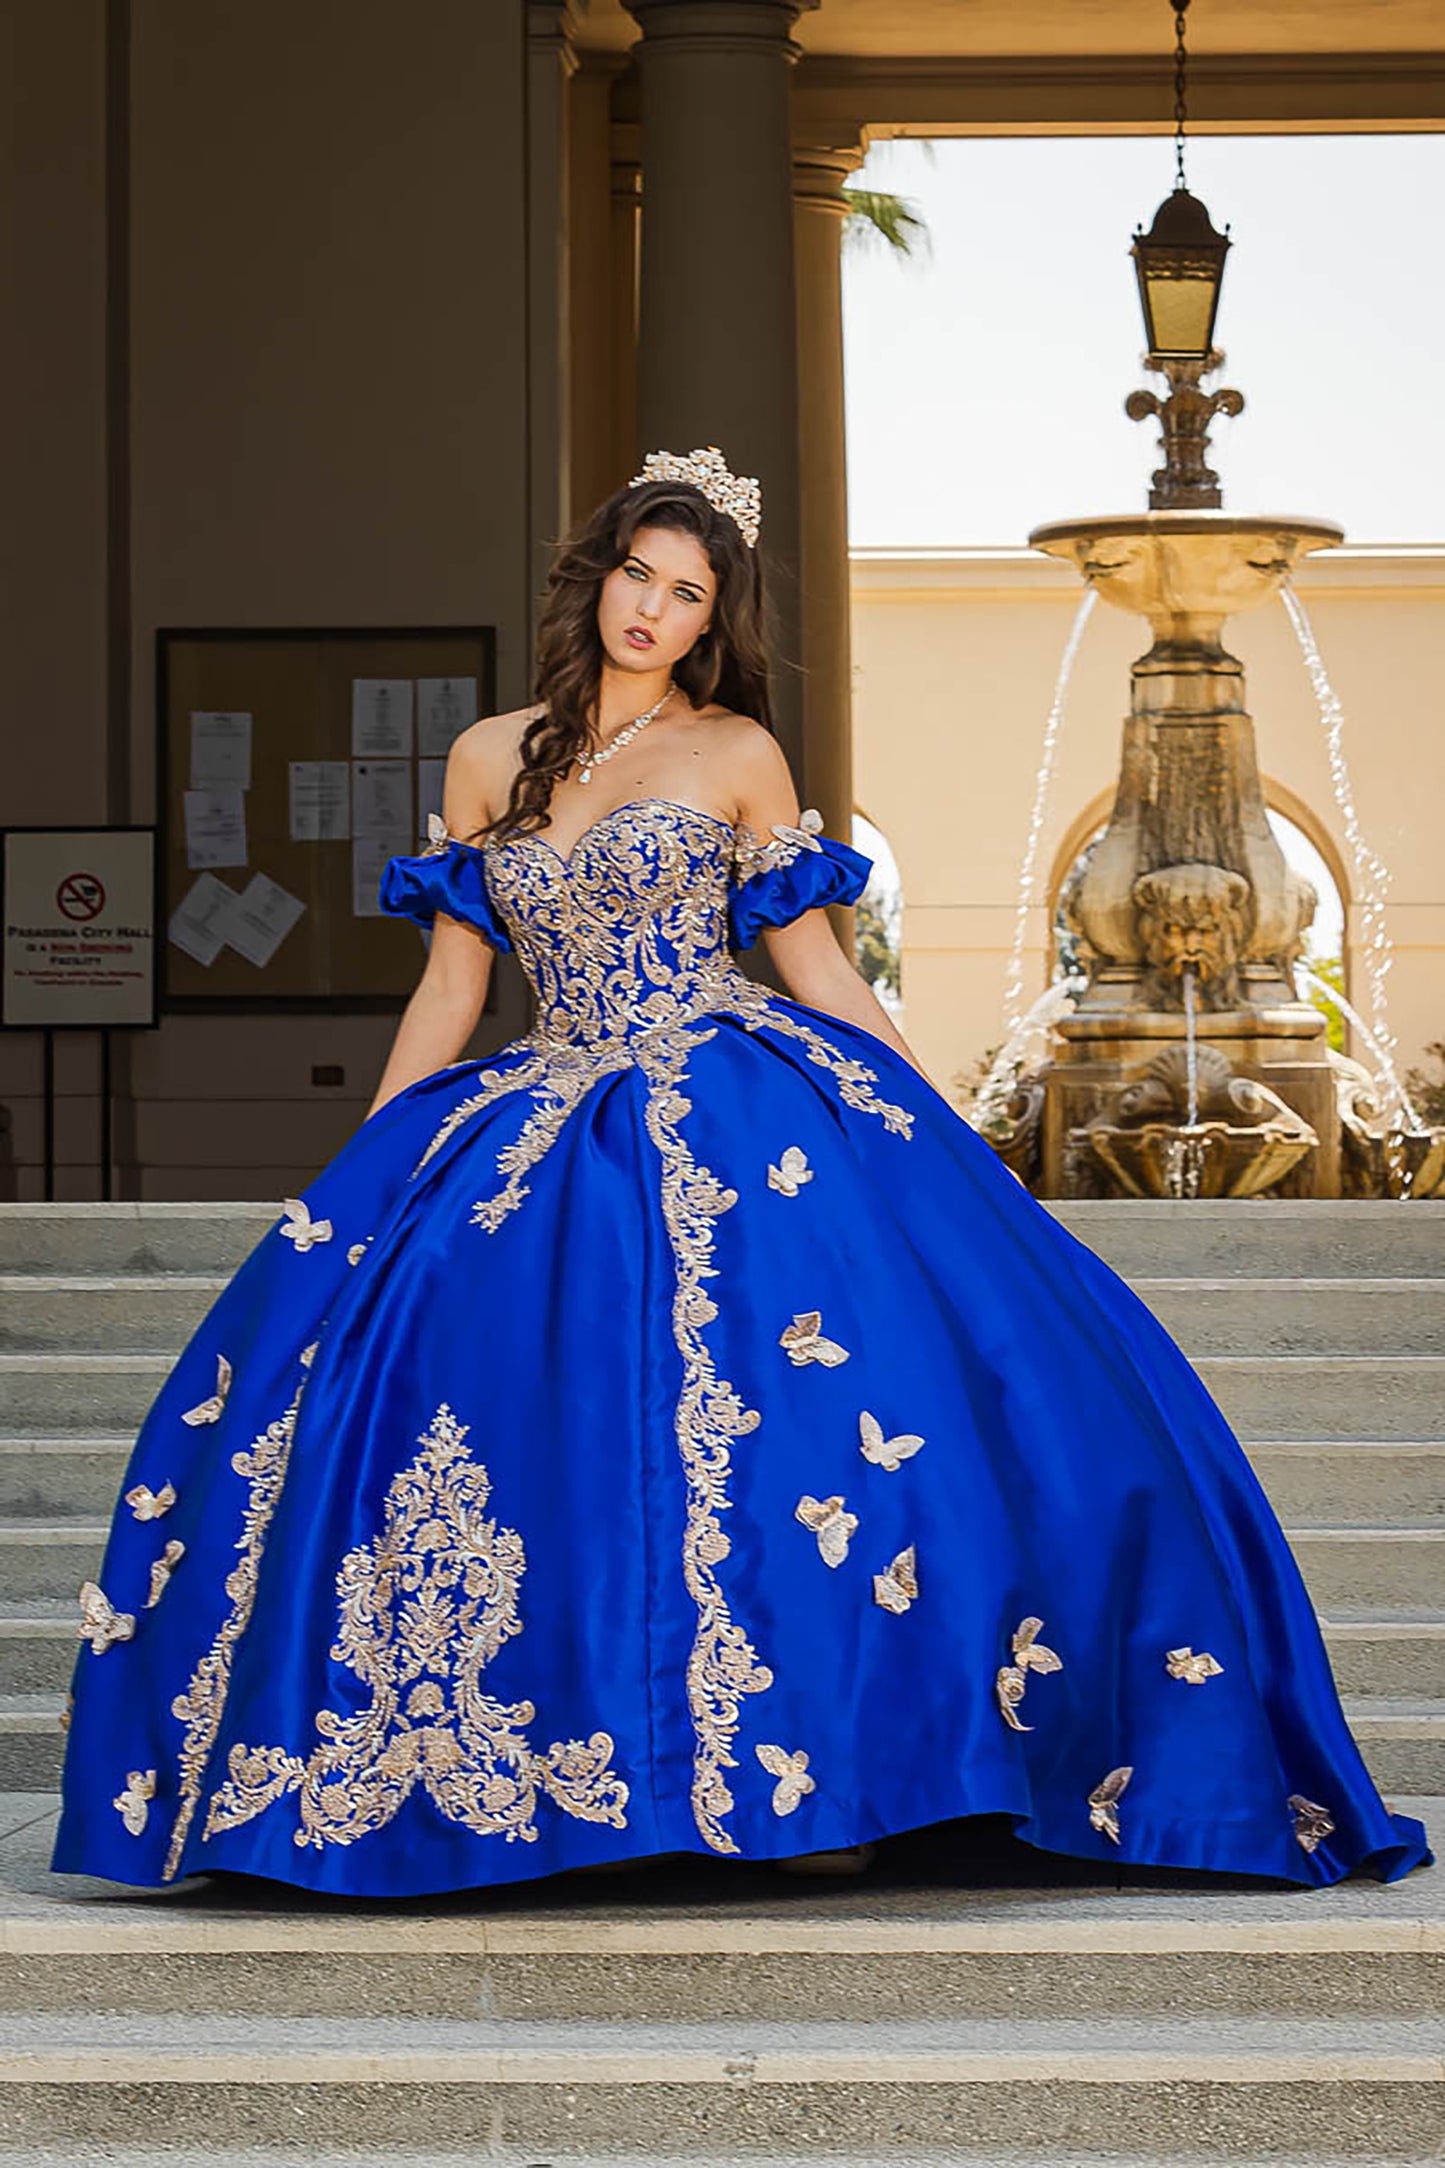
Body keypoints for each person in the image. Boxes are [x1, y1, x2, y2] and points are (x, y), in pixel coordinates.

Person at [53, 447, 1429, 1899]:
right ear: (597, 584)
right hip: (537, 1109)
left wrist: (944, 1127)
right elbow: (454, 989)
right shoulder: (484, 756)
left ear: (711, 622)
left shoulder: (732, 754)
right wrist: (366, 1177)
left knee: (796, 1425)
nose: (652, 610)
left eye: (686, 594)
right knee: (512, 1412)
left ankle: (849, 1760)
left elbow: (819, 966)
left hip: (730, 1094)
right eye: (637, 577)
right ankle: (542, 1775)